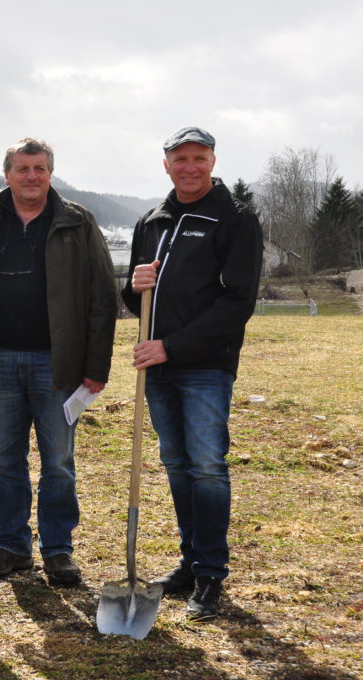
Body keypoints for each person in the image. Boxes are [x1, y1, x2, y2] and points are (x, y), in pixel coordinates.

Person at [0, 138, 116, 585]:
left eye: (40, 168)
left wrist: (96, 367)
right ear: (6, 175)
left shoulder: (77, 223)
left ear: (50, 173)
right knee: (4, 461)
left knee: (58, 461)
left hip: (57, 364)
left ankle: (58, 551)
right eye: (22, 169)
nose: (31, 176)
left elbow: (102, 298)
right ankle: (12, 548)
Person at [123, 127, 262, 621]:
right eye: (180, 158)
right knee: (177, 465)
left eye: (198, 158)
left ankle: (210, 573)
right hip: (157, 367)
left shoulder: (235, 218)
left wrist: (172, 346)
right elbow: (137, 298)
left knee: (206, 465)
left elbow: (237, 301)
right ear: (166, 164)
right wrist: (131, 286)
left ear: (212, 161)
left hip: (204, 366)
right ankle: (189, 561)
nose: (189, 166)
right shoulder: (152, 221)